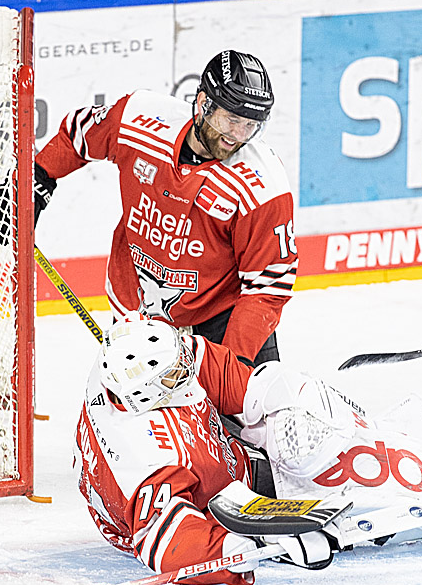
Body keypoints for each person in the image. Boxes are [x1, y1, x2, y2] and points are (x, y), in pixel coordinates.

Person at [74, 313, 422, 585]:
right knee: (337, 499)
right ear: (148, 396)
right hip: (217, 509)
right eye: (177, 376)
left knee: (305, 415)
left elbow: (217, 372)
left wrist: (276, 404)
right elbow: (169, 543)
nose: (186, 371)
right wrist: (246, 549)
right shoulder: (146, 458)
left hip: (224, 461)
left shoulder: (135, 363)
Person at [28, 50, 295, 368]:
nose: (238, 136)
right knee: (143, 418)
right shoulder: (139, 119)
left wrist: (232, 365)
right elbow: (80, 135)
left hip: (224, 320)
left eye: (250, 125)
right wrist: (38, 178)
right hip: (138, 315)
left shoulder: (264, 184)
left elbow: (268, 284)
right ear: (202, 104)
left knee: (254, 415)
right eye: (232, 119)